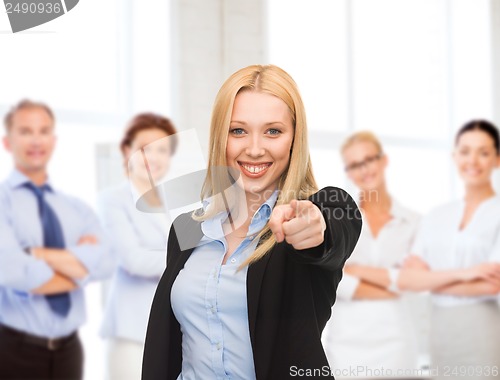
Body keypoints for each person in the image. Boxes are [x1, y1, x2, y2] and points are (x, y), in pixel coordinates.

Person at [141, 64, 363, 380]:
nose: (255, 149)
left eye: (273, 131)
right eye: (238, 130)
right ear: (221, 137)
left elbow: (336, 220)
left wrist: (316, 225)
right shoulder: (187, 229)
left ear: (294, 139)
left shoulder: (309, 217)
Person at [0, 99, 113, 380]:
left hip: (69, 352)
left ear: (54, 140)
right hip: (14, 352)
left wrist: (37, 253)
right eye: (25, 131)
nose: (36, 139)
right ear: (7, 142)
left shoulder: (76, 208)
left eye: (44, 130)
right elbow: (16, 273)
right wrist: (80, 268)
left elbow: (107, 262)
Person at [398, 120, 500, 380]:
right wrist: (468, 274)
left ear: (497, 159)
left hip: (485, 330)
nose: (472, 160)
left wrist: (429, 280)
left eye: (484, 152)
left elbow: (492, 285)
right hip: (441, 330)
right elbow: (408, 279)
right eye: (465, 151)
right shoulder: (436, 216)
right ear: (454, 156)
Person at [322, 131, 420, 377]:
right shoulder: (338, 222)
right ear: (348, 172)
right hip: (346, 346)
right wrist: (391, 284)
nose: (364, 170)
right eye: (354, 165)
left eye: (369, 160)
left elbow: (415, 281)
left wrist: (358, 271)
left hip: (397, 342)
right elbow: (335, 280)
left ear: (383, 160)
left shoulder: (414, 222)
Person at [98, 113, 177, 380]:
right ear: (126, 151)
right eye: (144, 148)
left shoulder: (174, 201)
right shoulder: (113, 200)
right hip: (133, 332)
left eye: (162, 150)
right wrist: (185, 258)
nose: (152, 157)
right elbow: (133, 259)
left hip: (173, 329)